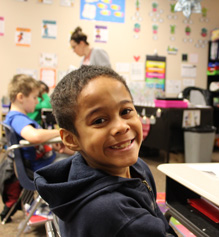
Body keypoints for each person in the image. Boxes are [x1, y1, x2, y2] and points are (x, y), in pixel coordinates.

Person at [34, 65, 177, 236]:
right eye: (100, 120)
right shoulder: (118, 216)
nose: (121, 126)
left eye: (126, 111)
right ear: (72, 139)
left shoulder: (138, 167)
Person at [1, 74, 73, 222]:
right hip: (42, 168)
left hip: (44, 161)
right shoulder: (17, 118)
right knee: (83, 163)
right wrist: (62, 132)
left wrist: (52, 144)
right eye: (34, 97)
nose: (37, 101)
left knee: (76, 154)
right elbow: (34, 136)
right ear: (21, 97)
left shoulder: (17, 117)